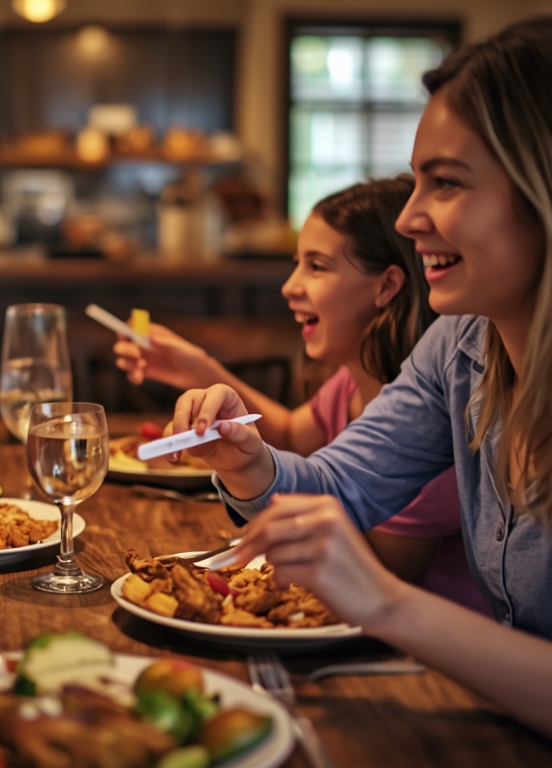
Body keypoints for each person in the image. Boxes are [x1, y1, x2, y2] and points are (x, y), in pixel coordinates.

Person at [169, 19, 552, 734]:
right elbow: (344, 485)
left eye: (447, 184)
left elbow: (382, 581)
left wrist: (386, 602)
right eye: (416, 183)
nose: (409, 219)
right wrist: (249, 463)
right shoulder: (461, 344)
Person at [116, 178, 488, 614]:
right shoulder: (351, 382)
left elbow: (379, 581)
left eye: (317, 266)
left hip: (423, 657)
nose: (289, 286)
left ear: (386, 287)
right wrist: (201, 372)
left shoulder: (430, 425)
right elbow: (292, 435)